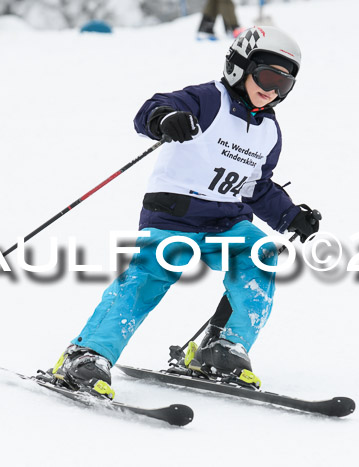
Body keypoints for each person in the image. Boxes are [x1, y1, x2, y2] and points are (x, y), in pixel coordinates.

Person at [50, 26, 320, 397]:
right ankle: (87, 354)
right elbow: (152, 108)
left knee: (260, 256)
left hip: (227, 222)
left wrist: (291, 216)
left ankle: (221, 348)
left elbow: (255, 186)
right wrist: (164, 119)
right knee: (147, 277)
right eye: (267, 76)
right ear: (240, 66)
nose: (272, 90)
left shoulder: (269, 131)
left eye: (284, 85)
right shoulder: (208, 99)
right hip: (173, 216)